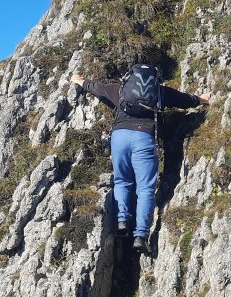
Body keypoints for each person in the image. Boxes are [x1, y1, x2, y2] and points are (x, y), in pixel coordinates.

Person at [71, 67, 210, 254]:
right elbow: (184, 100)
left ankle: (122, 220)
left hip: (119, 137)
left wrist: (79, 80)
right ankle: (140, 236)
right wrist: (201, 99)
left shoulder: (119, 89)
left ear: (130, 78)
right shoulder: (159, 92)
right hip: (144, 137)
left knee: (122, 181)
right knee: (145, 189)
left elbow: (96, 87)